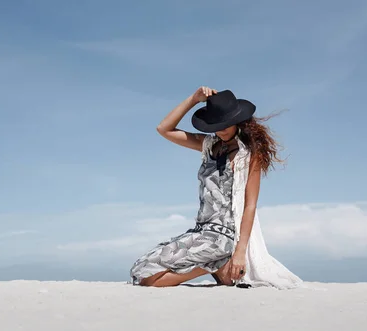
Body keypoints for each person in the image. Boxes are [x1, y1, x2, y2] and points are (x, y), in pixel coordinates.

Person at [129, 86, 303, 289]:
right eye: (216, 125)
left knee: (147, 280)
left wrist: (240, 251)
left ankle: (213, 265)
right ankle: (215, 266)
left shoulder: (249, 155)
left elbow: (250, 205)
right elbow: (164, 129)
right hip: (200, 231)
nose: (221, 130)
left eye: (226, 124)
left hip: (223, 237)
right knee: (139, 270)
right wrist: (193, 99)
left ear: (237, 121)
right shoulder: (209, 145)